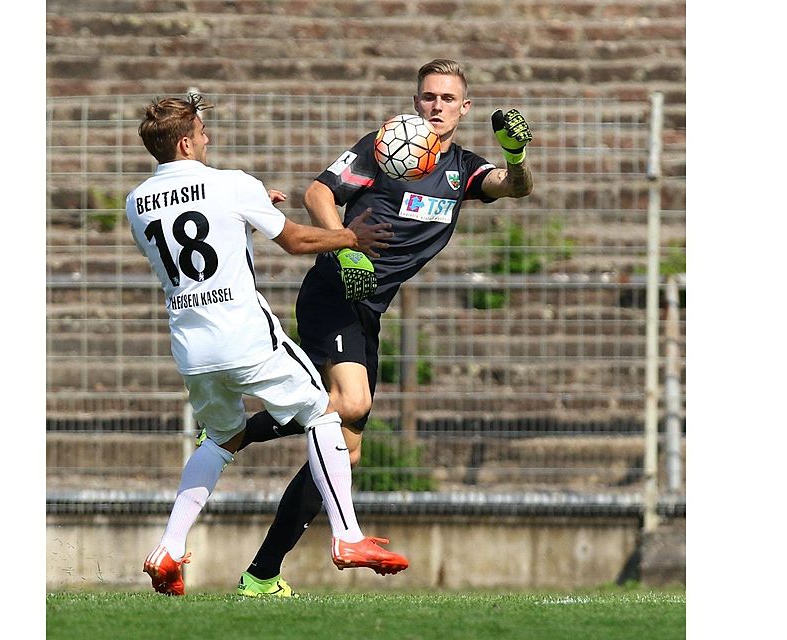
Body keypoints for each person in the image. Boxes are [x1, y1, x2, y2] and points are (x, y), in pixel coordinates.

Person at [234, 58, 534, 597]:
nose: (435, 107)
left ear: (464, 109)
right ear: (415, 101)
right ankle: (234, 433)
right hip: (336, 291)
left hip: (370, 310)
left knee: (345, 453)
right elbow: (318, 194)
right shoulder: (383, 146)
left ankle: (261, 575)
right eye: (427, 97)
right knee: (348, 405)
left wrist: (515, 156)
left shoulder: (461, 167)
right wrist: (345, 246)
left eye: (447, 99)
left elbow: (512, 187)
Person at [126, 94, 408, 596]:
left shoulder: (136, 201)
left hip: (192, 346)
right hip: (246, 336)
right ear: (187, 141)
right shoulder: (233, 184)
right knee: (325, 414)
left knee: (220, 438)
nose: (208, 138)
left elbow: (200, 230)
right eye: (202, 131)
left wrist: (256, 205)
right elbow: (298, 241)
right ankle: (347, 537)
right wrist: (348, 237)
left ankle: (168, 549)